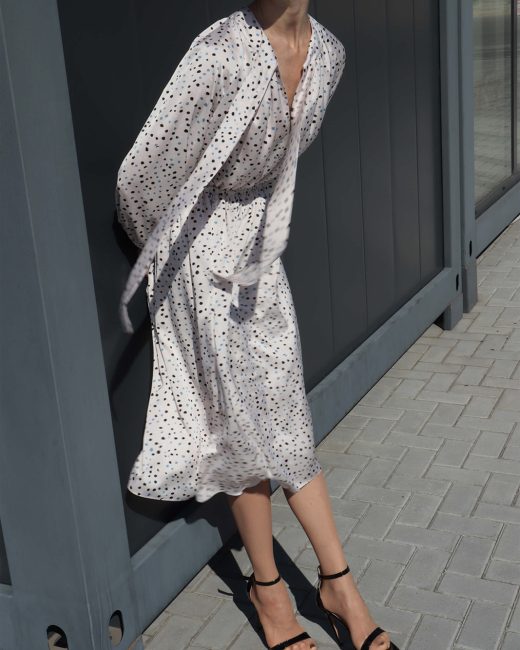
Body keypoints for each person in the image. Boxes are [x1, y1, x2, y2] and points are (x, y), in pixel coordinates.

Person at [115, 1, 396, 648]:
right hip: (197, 254)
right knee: (241, 423)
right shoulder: (219, 54)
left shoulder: (328, 55)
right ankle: (270, 595)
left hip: (258, 251)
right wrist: (176, 254)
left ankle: (338, 584)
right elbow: (140, 183)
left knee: (286, 412)